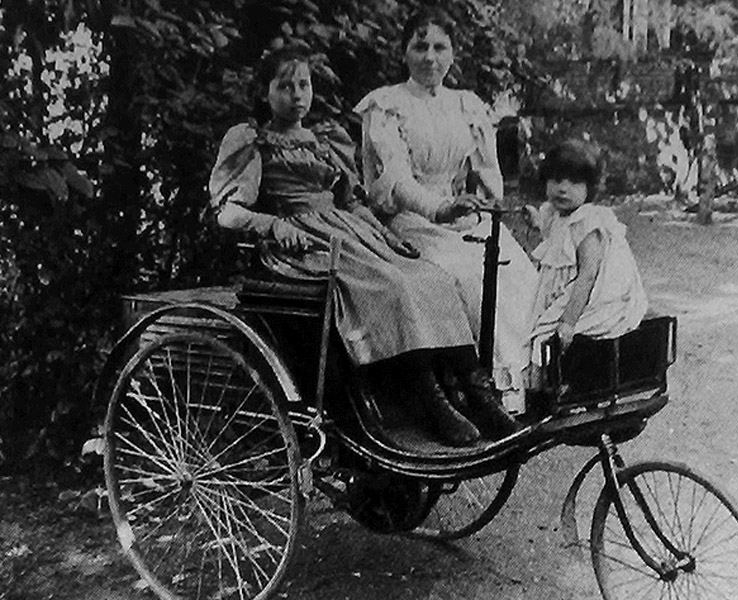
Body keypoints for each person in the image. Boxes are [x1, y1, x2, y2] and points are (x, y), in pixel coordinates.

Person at [208, 45, 518, 445]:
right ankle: (428, 399)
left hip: (351, 232)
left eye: (304, 85)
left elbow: (352, 201)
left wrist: (387, 235)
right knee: (393, 285)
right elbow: (228, 212)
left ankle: (477, 393)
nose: (297, 95)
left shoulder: (324, 140)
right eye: (285, 86)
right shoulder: (254, 143)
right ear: (265, 92)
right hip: (301, 246)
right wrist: (273, 224)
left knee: (430, 276)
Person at [354, 6, 538, 414]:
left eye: (440, 47)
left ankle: (529, 386)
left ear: (453, 53)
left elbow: (487, 171)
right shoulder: (386, 105)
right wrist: (438, 208)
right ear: (404, 52)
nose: (430, 58)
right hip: (411, 220)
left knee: (515, 269)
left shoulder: (466, 104)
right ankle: (481, 391)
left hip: (461, 214)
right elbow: (396, 179)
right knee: (469, 276)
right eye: (420, 47)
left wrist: (495, 207)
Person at [523, 140, 649, 387]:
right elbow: (557, 241)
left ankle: (547, 390)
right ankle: (541, 389)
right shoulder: (555, 213)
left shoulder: (587, 220)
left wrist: (569, 321)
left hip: (588, 296)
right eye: (556, 180)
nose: (562, 189)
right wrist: (536, 222)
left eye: (573, 182)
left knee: (544, 337)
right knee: (530, 327)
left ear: (589, 188)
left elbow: (588, 274)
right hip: (561, 288)